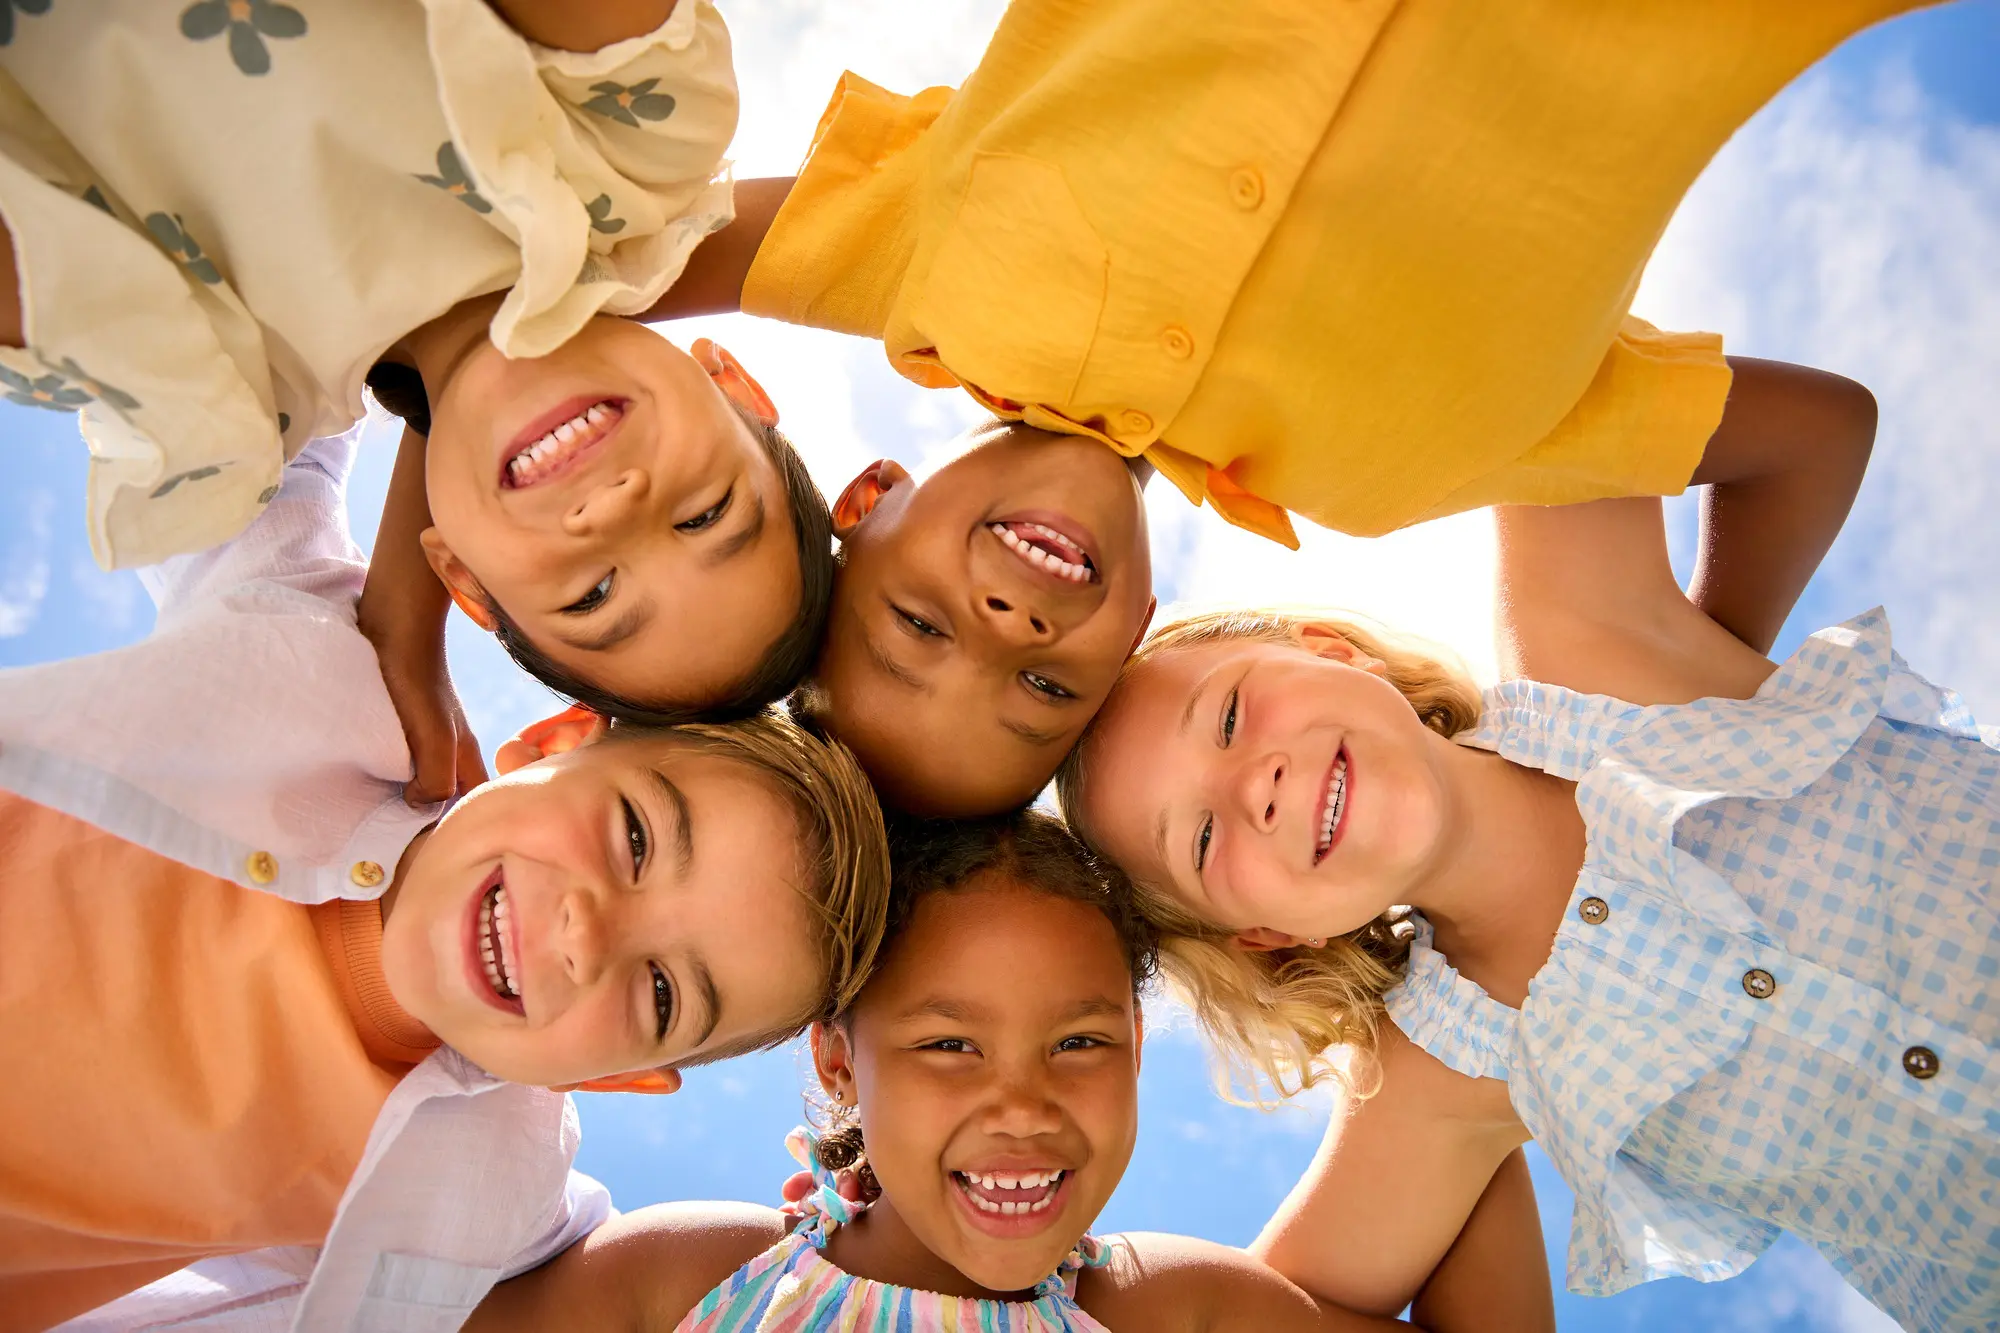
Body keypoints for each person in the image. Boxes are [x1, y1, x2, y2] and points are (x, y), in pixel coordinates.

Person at [636, 0, 1936, 815]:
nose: (1008, 620)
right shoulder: (1400, 473)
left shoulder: (920, 268)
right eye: (1039, 680)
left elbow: (587, 276)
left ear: (868, 501)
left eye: (918, 623)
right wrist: (1705, 677)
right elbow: (1822, 434)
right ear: (1134, 640)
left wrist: (428, 583)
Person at [0, 430, 891, 1332]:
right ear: (559, 741)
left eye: (661, 992)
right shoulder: (322, 671)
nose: (589, 934)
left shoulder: (494, 1190)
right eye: (633, 837)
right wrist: (405, 595)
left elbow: (740, 1289)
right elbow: (251, 368)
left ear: (620, 1073)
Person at [1055, 487, 2000, 1329]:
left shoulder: (1584, 643)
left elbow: (1810, 438)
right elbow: (1262, 1313)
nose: (1251, 788)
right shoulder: (1441, 1073)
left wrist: (1703, 660)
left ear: (1331, 652)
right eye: (1206, 841)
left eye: (1228, 717)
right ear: (1270, 935)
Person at [0, 1, 835, 764]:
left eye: (595, 595)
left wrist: (401, 626)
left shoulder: (221, 408)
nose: (614, 510)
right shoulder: (634, 134)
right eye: (705, 513)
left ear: (462, 577)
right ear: (736, 389)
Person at [463, 810, 1554, 1332]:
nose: (1023, 1105)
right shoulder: (696, 1279)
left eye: (1080, 1042)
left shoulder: (1157, 1306)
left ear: (1135, 1045)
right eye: (948, 1044)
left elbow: (1458, 1130)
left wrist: (1428, 1008)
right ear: (839, 1062)